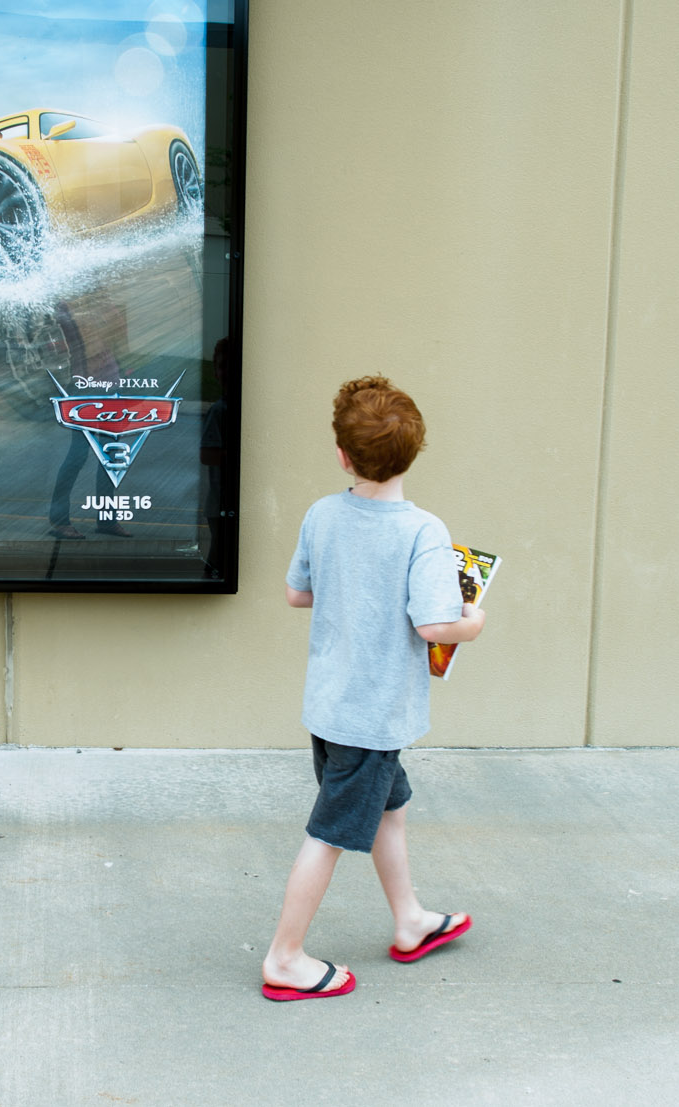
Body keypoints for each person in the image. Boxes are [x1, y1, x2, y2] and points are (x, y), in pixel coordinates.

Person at [260, 375, 487, 1002]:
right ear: (414, 452)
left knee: (391, 807)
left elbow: (297, 592)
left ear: (342, 455)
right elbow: (435, 623)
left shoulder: (322, 513)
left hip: (331, 705)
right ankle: (284, 957)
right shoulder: (423, 532)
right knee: (330, 835)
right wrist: (475, 621)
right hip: (373, 713)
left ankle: (409, 919)